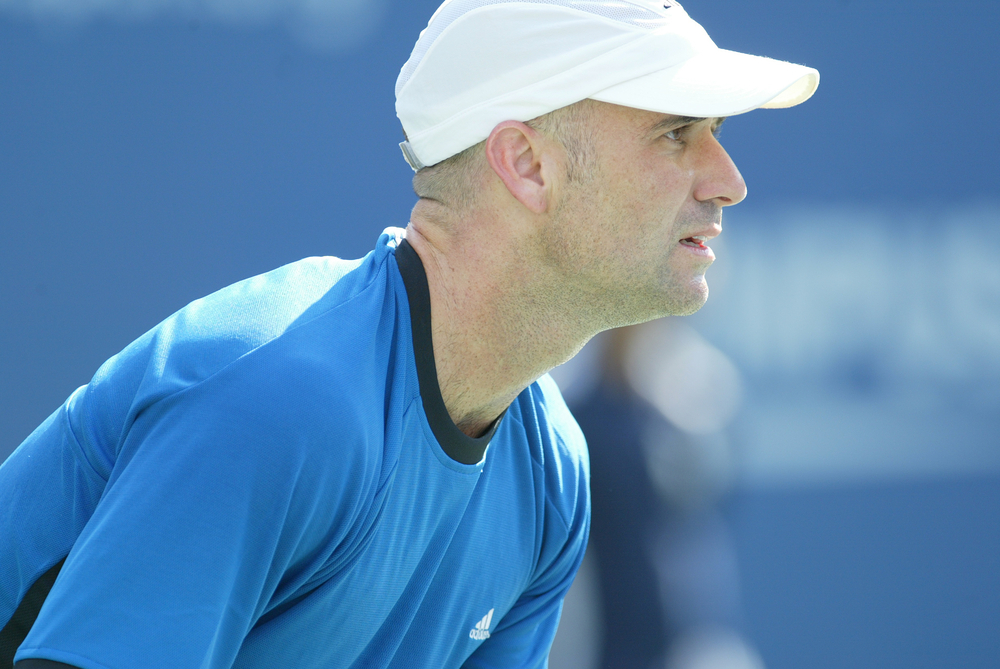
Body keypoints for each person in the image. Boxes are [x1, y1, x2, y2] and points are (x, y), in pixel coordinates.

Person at [0, 1, 819, 668]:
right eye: (676, 132)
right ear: (528, 165)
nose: (730, 180)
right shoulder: (278, 397)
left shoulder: (552, 471)